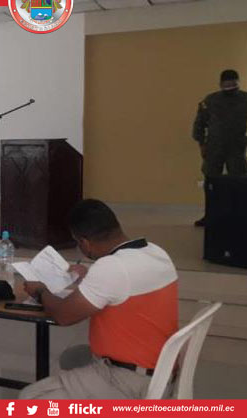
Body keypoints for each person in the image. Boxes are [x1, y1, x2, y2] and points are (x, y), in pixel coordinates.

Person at [19, 199, 178, 399]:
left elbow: (63, 316)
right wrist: (88, 276)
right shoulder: (155, 252)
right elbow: (125, 285)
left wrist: (40, 291)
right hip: (161, 369)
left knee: (29, 397)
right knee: (73, 357)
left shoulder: (111, 268)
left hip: (130, 380)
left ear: (84, 242)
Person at [192, 69, 247, 226]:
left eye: (232, 83)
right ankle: (210, 215)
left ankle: (239, 216)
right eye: (226, 83)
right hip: (214, 147)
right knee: (211, 182)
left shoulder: (245, 99)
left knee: (239, 182)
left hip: (237, 148)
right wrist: (201, 144)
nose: (230, 86)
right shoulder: (210, 100)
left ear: (237, 82)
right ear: (221, 83)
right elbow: (199, 124)